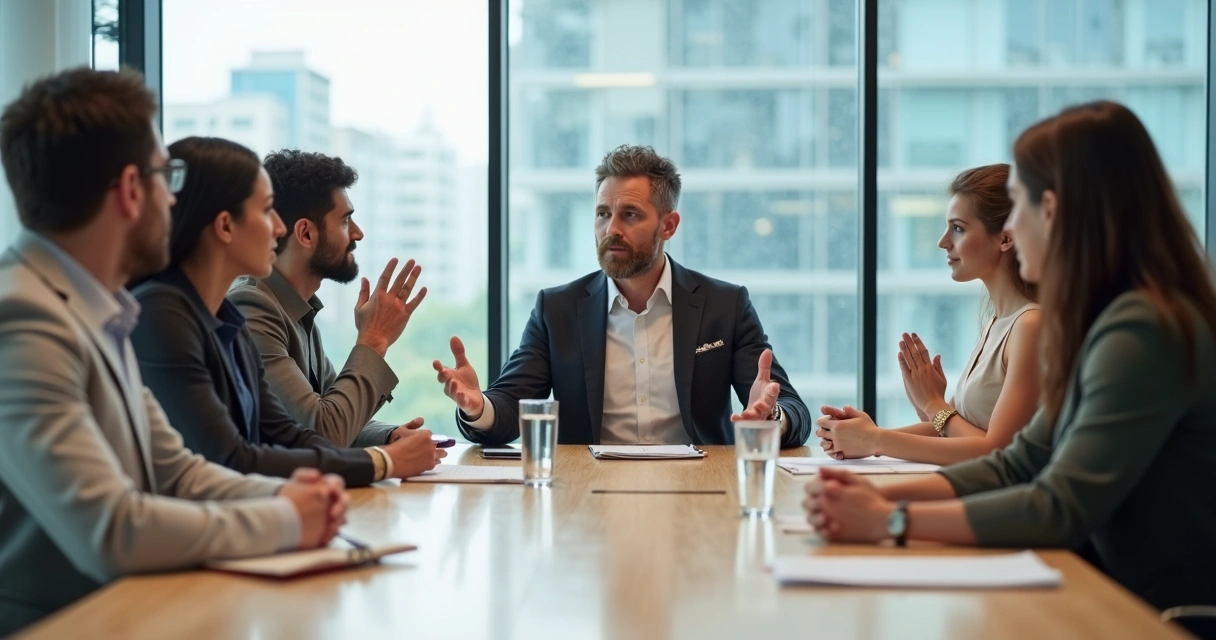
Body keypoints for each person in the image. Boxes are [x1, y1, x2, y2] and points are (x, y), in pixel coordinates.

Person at [802, 101, 1216, 611]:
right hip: (1114, 592)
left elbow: (1059, 505)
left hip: (1157, 612)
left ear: (1052, 211)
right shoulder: (1103, 321)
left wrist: (892, 521)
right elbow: (1017, 464)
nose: (1012, 230)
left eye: (1016, 206)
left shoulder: (1143, 329)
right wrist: (878, 498)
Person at [0, 68, 347, 634]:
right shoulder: (23, 318)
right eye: (169, 176)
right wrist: (284, 519)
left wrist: (291, 492)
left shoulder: (99, 308)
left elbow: (178, 472)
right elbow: (111, 530)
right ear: (133, 190)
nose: (174, 195)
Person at [434, 144, 812, 447]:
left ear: (669, 225)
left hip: (702, 491)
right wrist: (477, 406)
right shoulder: (557, 309)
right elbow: (508, 410)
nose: (610, 229)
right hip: (587, 496)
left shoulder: (724, 306)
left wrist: (770, 418)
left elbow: (793, 410)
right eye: (602, 213)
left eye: (629, 215)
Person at [129, 136, 443, 488]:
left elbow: (294, 435)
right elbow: (237, 457)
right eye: (266, 212)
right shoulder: (181, 313)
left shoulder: (226, 320)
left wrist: (384, 446)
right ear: (225, 226)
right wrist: (381, 461)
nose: (279, 229)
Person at [817, 164, 1041, 465]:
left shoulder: (1031, 325)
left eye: (958, 228)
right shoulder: (996, 323)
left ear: (1005, 238)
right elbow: (954, 433)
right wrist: (865, 436)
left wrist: (923, 410)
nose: (943, 241)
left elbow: (998, 453)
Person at [228, 149, 425, 448]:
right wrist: (374, 339)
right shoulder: (252, 307)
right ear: (306, 234)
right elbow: (323, 433)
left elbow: (338, 416)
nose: (358, 234)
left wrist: (390, 435)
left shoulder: (298, 310)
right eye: (346, 221)